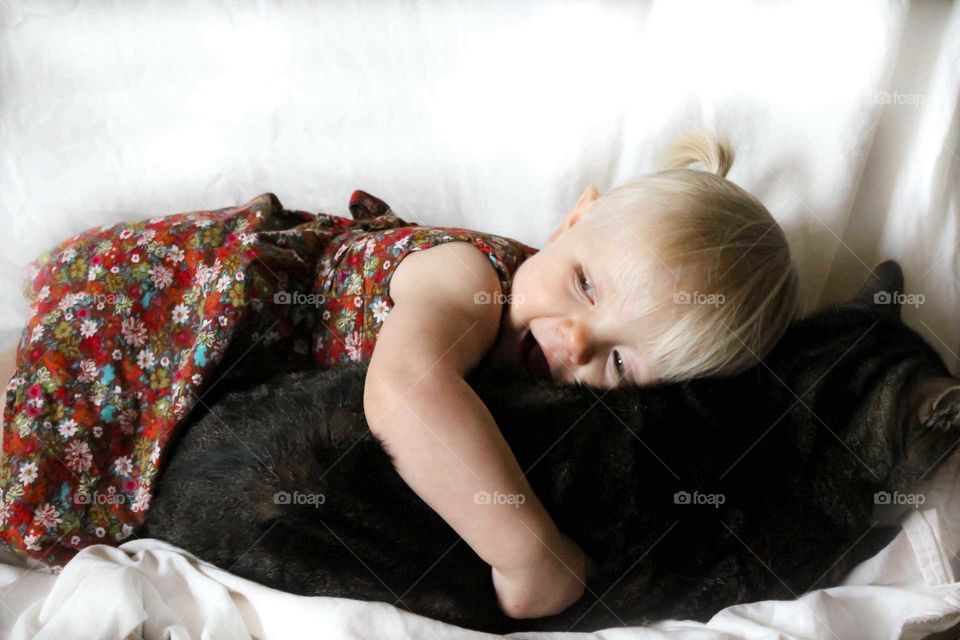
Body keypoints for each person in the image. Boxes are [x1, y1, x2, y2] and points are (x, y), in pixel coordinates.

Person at [1, 131, 799, 620]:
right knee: (37, 469)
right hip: (166, 326)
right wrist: (529, 553)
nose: (571, 341)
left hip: (202, 365)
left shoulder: (530, 337)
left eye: (619, 362)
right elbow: (406, 397)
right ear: (574, 219)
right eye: (586, 284)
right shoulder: (471, 281)